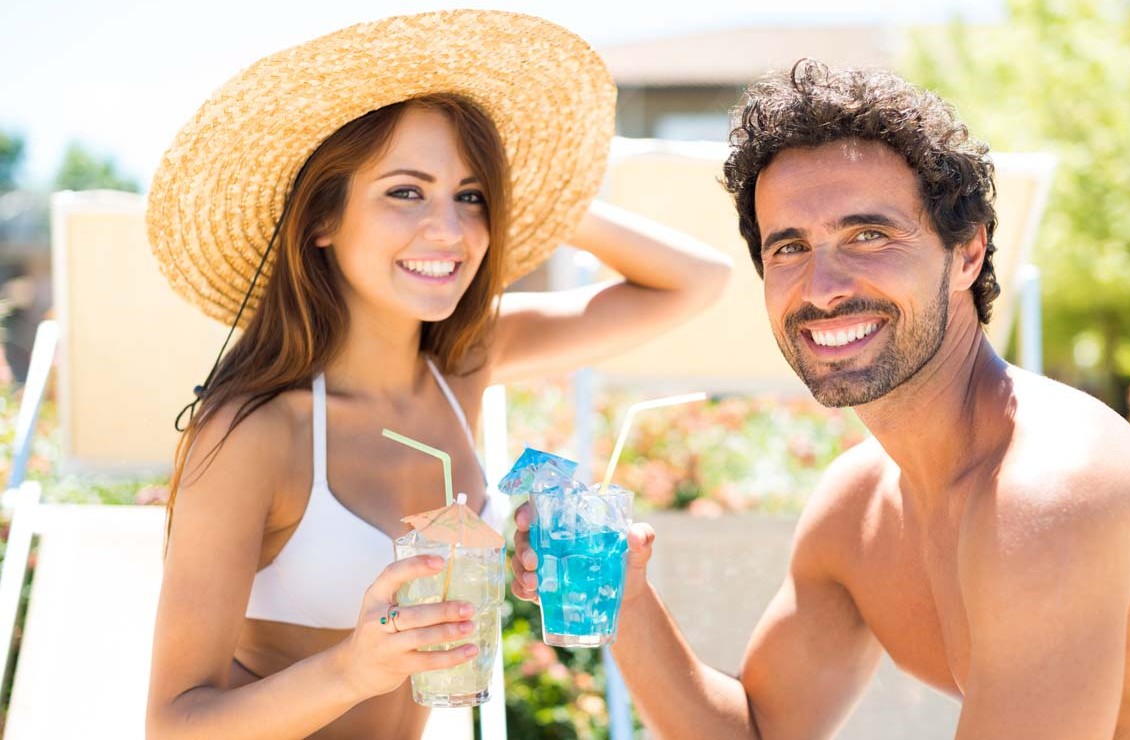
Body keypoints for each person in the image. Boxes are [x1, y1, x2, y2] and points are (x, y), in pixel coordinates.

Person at [512, 59, 1130, 739]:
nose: (822, 286)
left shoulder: (1051, 496)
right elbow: (757, 733)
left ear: (966, 255)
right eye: (789, 248)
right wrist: (626, 597)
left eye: (866, 235)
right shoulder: (860, 510)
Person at [144, 11, 732, 740]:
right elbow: (172, 726)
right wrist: (355, 668)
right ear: (321, 219)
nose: (451, 231)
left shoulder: (467, 368)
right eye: (405, 192)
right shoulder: (256, 434)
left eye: (471, 195)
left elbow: (698, 282)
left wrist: (544, 198)